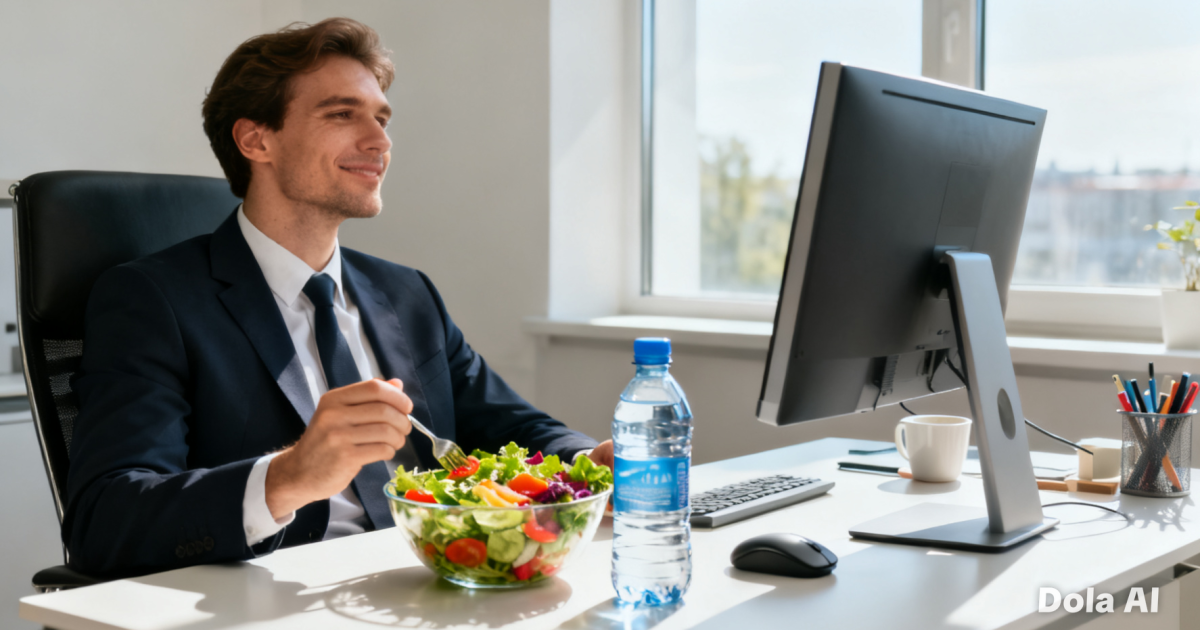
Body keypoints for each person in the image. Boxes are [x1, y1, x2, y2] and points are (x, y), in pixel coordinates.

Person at [63, 17, 614, 578]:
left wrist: (590, 461)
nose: (380, 142)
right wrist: (290, 475)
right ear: (256, 139)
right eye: (342, 114)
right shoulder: (155, 300)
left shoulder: (407, 293)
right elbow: (103, 522)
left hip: (421, 587)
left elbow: (510, 425)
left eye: (381, 118)